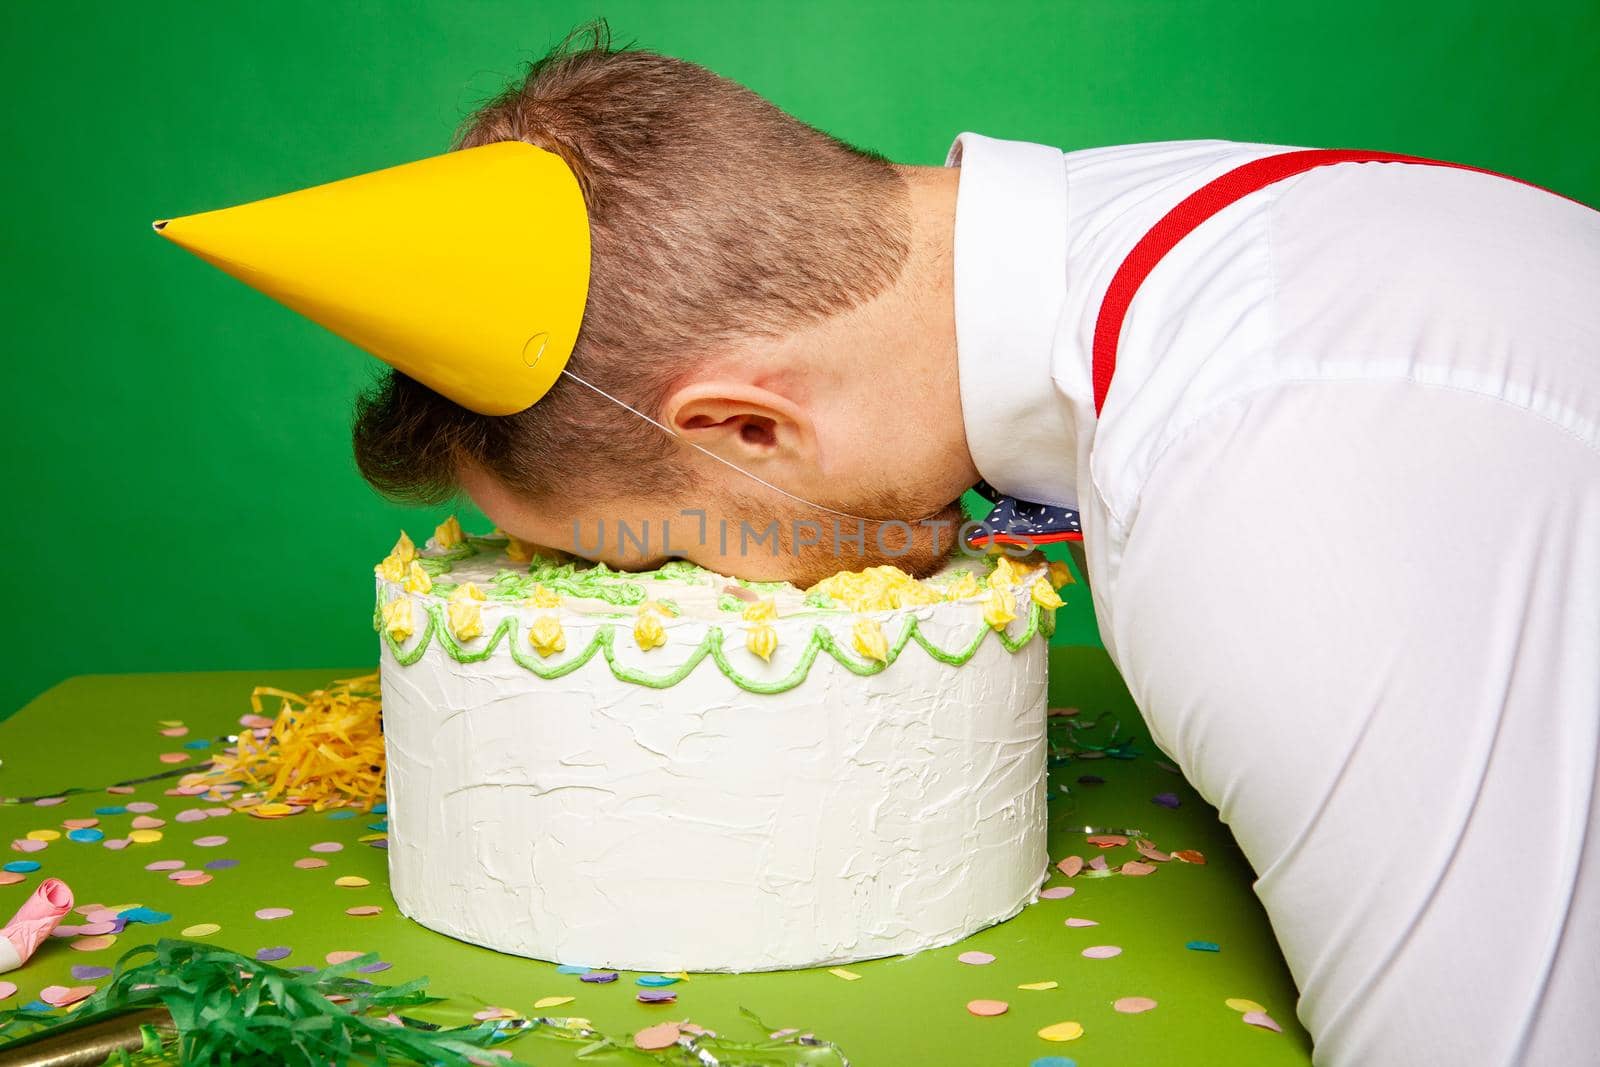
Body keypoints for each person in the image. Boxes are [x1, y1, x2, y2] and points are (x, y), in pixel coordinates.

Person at [200, 26, 1600, 1066]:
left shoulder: (1255, 476)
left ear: (748, 429)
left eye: (643, 563)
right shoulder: (1154, 246)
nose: (669, 594)